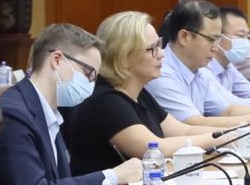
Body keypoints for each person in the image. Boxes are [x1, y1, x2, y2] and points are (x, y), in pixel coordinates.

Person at [0, 24, 139, 185]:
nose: (90, 84)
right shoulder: (13, 113)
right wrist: (113, 175)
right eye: (88, 73)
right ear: (57, 60)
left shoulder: (48, 111)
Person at [64, 10, 220, 175]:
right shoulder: (106, 101)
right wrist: (223, 138)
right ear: (123, 56)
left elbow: (184, 131)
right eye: (152, 48)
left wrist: (232, 132)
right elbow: (156, 148)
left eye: (159, 44)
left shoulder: (139, 93)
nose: (161, 54)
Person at [148, 0, 250, 125]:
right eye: (211, 39)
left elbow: (229, 110)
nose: (216, 47)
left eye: (218, 39)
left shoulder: (201, 72)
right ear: (184, 37)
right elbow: (194, 123)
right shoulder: (161, 73)